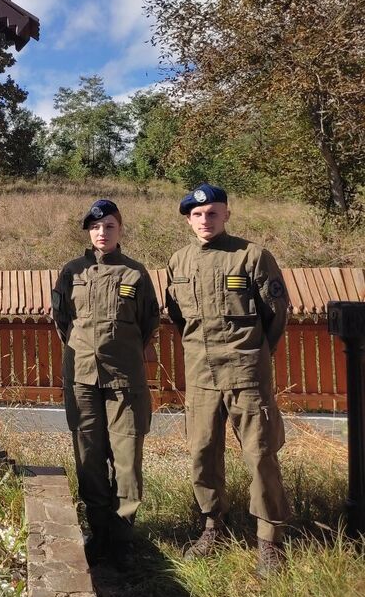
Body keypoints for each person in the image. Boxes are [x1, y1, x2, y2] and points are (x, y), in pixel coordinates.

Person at [165, 183, 291, 576]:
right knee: (202, 452)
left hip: (246, 373)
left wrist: (253, 354)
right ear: (188, 219)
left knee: (259, 454)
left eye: (213, 212)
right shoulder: (178, 262)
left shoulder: (252, 256)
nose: (205, 220)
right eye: (198, 214)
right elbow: (179, 317)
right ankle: (212, 525)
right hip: (201, 375)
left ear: (227, 214)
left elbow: (276, 315)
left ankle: (269, 540)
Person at [51, 199, 159, 566]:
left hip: (124, 378)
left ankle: (123, 537)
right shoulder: (71, 272)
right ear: (89, 232)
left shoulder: (135, 274)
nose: (102, 233)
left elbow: (148, 323)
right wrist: (85, 349)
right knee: (89, 457)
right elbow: (62, 319)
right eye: (96, 228)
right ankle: (99, 534)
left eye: (109, 226)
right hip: (81, 377)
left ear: (120, 229)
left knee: (127, 459)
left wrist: (120, 350)